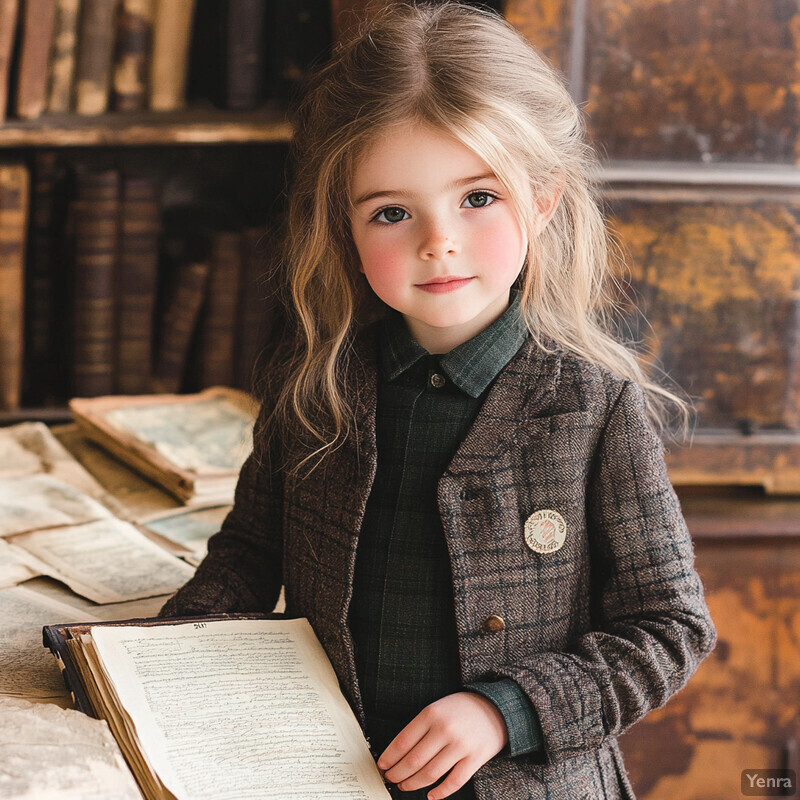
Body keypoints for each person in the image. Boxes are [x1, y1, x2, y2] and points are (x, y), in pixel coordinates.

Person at [159, 3, 716, 798]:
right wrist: (162, 652)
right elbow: (249, 554)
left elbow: (670, 630)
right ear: (344, 228)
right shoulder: (315, 383)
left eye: (477, 199)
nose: (438, 241)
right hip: (322, 774)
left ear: (544, 199)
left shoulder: (597, 412)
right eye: (392, 212)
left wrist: (507, 711)